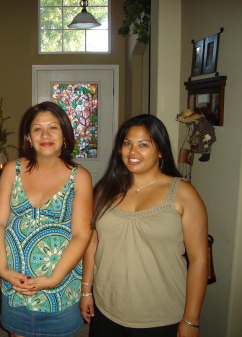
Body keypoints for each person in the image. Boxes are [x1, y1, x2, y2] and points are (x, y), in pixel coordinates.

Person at [80, 114, 208, 337]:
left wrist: (191, 319)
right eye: (127, 143)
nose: (132, 152)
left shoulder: (183, 194)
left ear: (160, 151)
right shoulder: (105, 189)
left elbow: (198, 260)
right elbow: (93, 242)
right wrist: (86, 290)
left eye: (143, 144)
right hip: (108, 307)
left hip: (161, 314)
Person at [0, 101, 93, 337]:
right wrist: (2, 269)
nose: (45, 135)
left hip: (59, 287)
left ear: (65, 133)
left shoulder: (80, 177)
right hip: (16, 283)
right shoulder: (12, 170)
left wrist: (53, 279)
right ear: (29, 136)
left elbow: (82, 234)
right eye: (37, 128)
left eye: (53, 127)